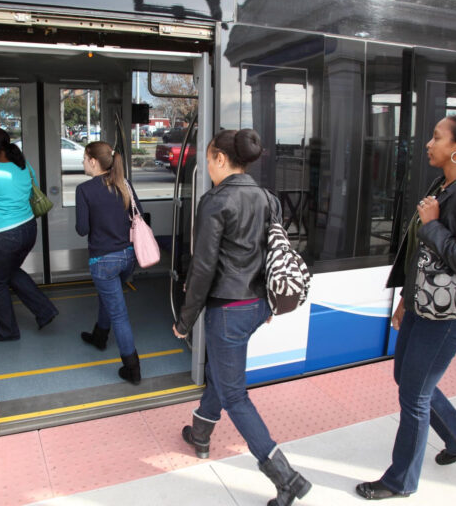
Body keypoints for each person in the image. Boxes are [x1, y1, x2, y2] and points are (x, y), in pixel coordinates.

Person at [356, 113, 456, 500]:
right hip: (424, 305)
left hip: (448, 317)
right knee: (408, 381)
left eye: (437, 137)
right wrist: (405, 300)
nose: (428, 144)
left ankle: (399, 482)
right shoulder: (446, 183)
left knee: (414, 397)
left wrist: (433, 225)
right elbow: (422, 255)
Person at [173, 129, 311, 506]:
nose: (207, 168)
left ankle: (285, 478)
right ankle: (200, 432)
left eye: (208, 160)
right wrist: (267, 302)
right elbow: (273, 252)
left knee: (235, 394)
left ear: (220, 159)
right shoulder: (267, 197)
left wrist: (185, 320)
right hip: (258, 306)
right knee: (223, 369)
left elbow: (202, 269)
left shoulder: (216, 201)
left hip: (229, 310)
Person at [0, 127, 58, 341]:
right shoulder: (24, 166)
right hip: (28, 230)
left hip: (3, 236)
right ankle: (45, 310)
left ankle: (8, 331)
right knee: (10, 271)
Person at [76, 141, 144, 385]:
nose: (83, 163)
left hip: (103, 260)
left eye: (84, 159)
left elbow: (82, 229)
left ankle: (132, 368)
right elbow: (139, 215)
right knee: (111, 295)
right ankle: (99, 336)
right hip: (128, 256)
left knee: (118, 313)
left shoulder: (84, 190)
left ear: (93, 161)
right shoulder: (124, 184)